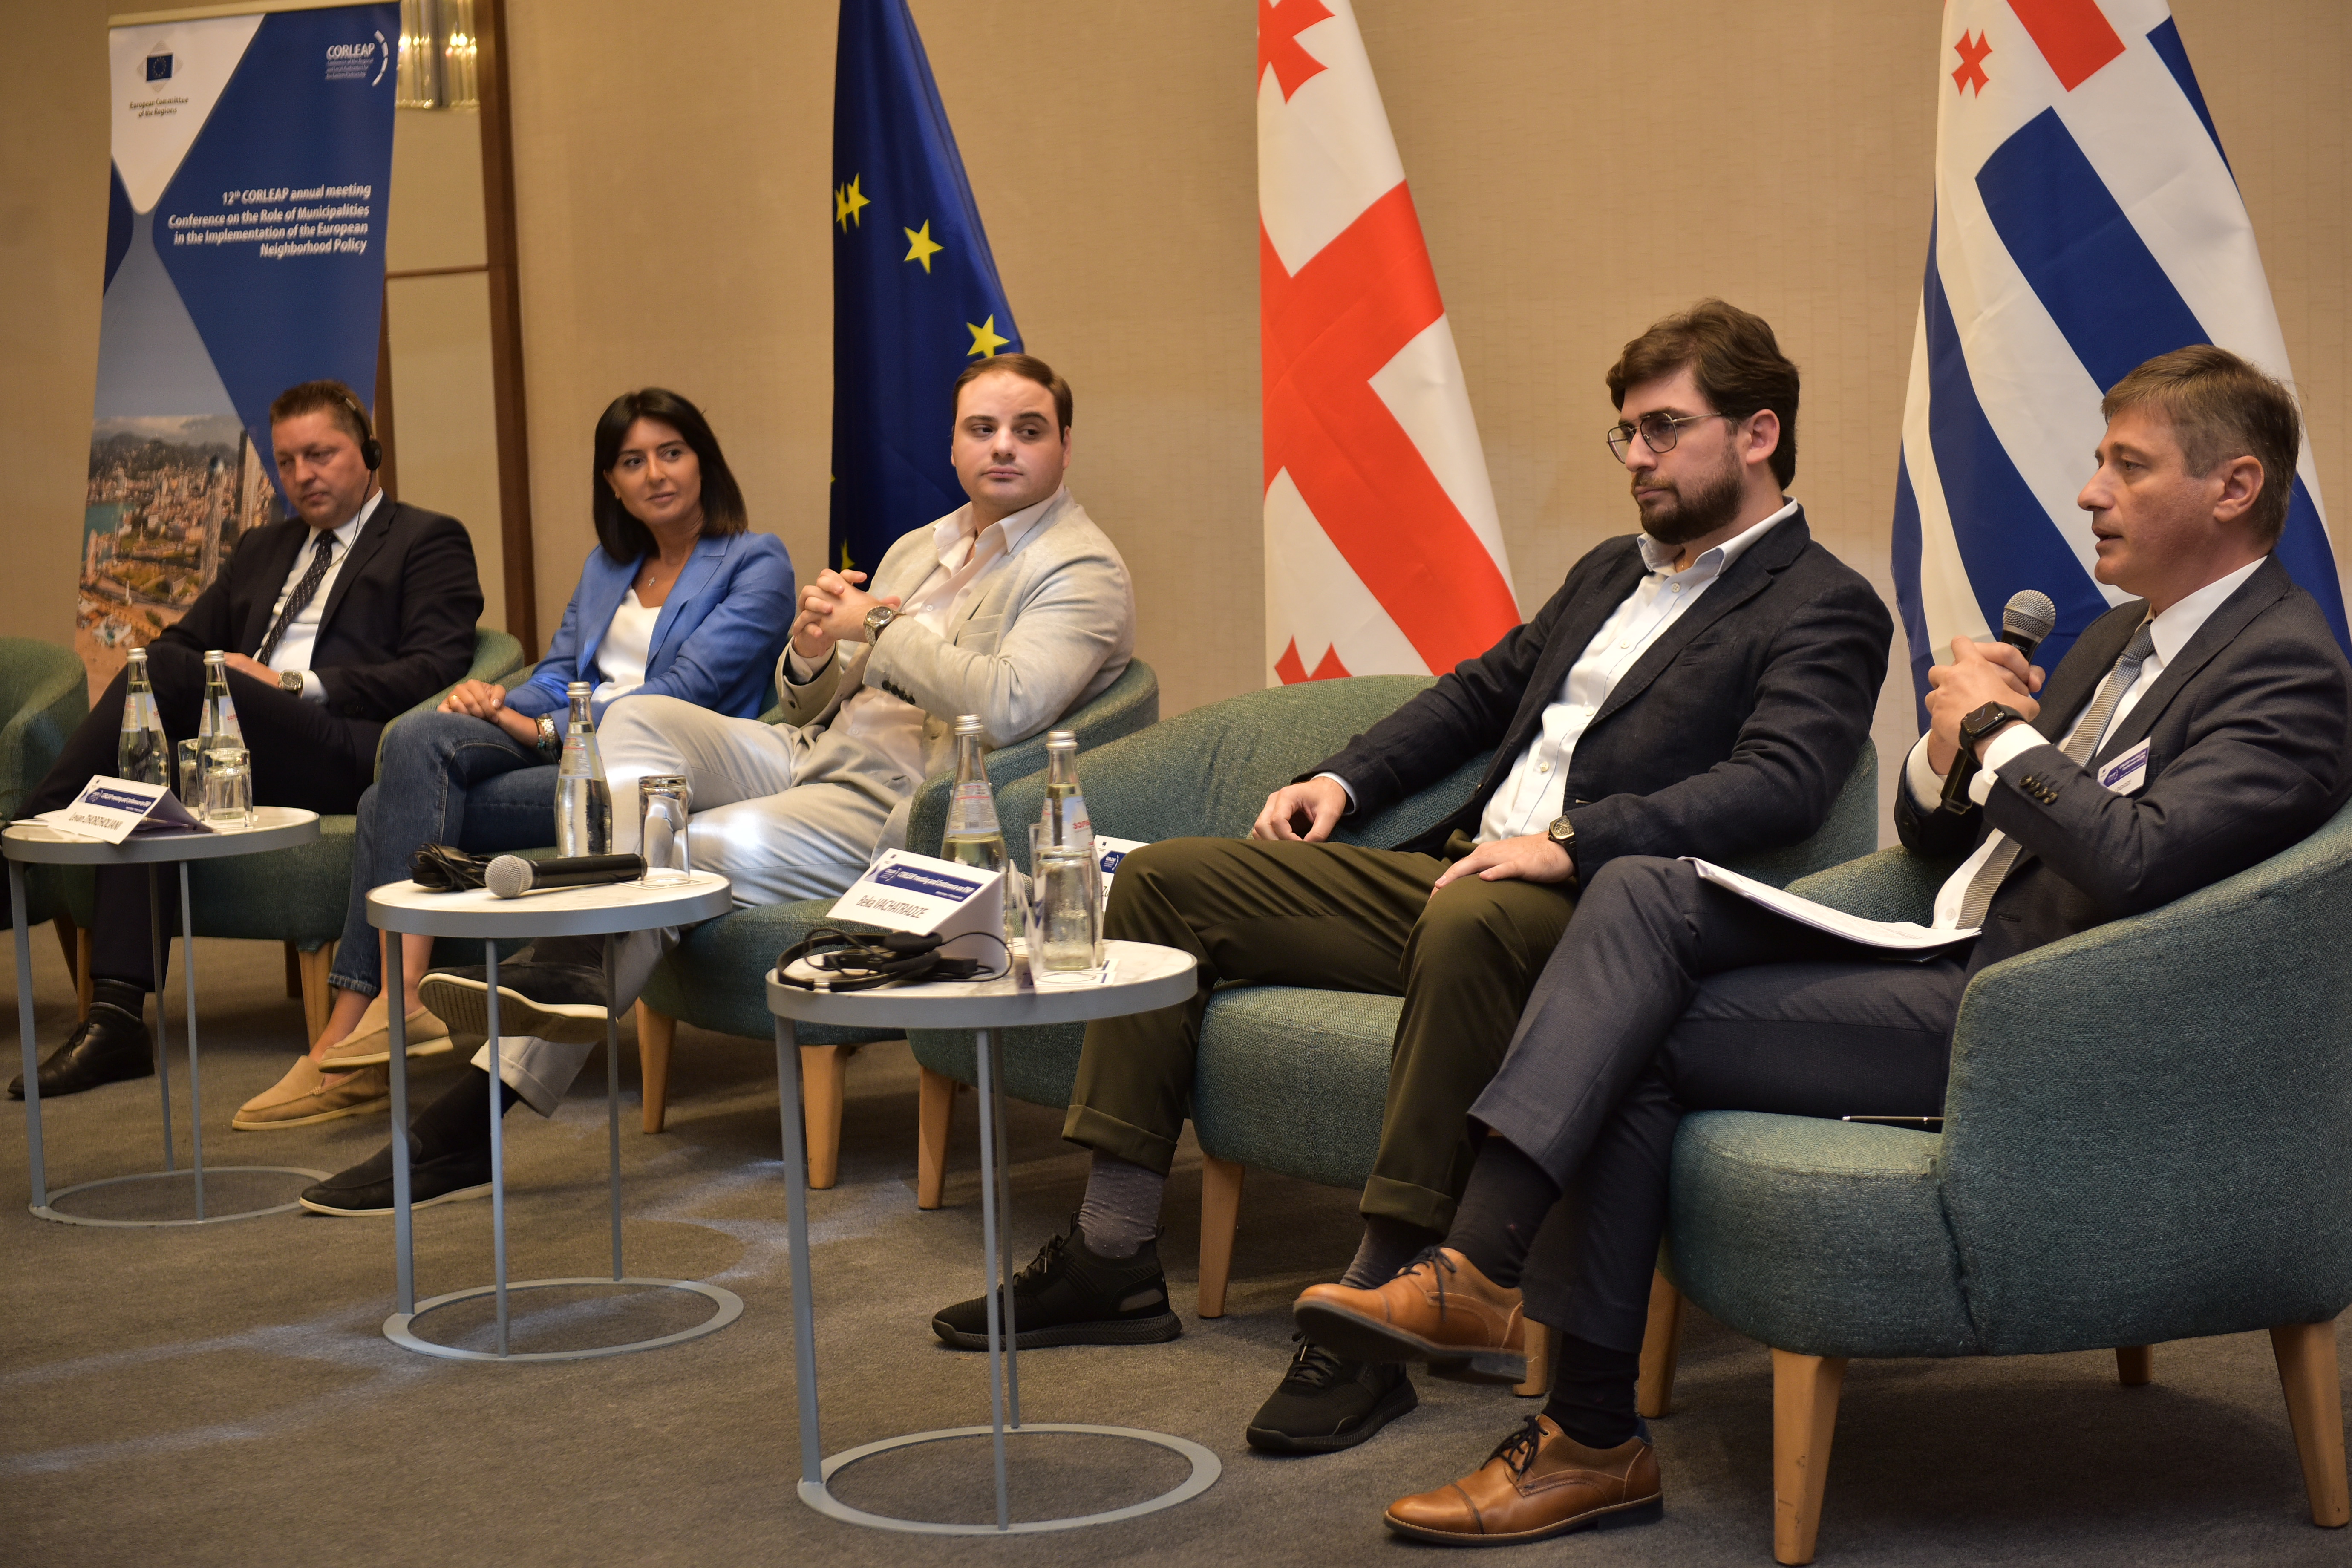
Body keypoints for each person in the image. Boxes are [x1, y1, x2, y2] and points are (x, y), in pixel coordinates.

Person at [1292, 344, 2352, 1546]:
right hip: (1952, 953)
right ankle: (1505, 1311)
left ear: (2234, 487)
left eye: (2129, 466)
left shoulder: (2288, 667)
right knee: (1636, 894)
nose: (2089, 492)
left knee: (1629, 1036)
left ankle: (1556, 1389)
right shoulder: (2120, 641)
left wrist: (2001, 736)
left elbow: (2140, 858)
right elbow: (1941, 833)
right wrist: (1948, 756)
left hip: (2046, 1022)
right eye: (2100, 462)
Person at [931, 301, 1895, 1458]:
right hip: (1458, 878)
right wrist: (1341, 778)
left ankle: (1373, 1324)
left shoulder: (1824, 603)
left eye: (1663, 430)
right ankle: (1111, 1251)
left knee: (1472, 922)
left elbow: (1782, 783)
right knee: (1167, 886)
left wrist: (1575, 840)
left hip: (1600, 921)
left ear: (1757, 433)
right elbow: (1477, 696)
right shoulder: (1611, 572)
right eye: (1626, 434)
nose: (1636, 458)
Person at [297, 351, 1136, 1214]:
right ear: (954, 445)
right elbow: (810, 699)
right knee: (635, 721)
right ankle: (579, 939)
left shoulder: (1080, 567)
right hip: (806, 751)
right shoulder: (922, 546)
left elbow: (1008, 702)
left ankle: (478, 1105)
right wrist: (812, 652)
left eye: (1028, 430)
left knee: (688, 849)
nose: (1003, 446)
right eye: (982, 429)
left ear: (1065, 446)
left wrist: (878, 625)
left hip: (901, 799)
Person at [232, 389, 793, 1131]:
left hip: (653, 777)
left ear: (703, 462)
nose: (655, 474)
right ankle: (392, 1007)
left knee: (389, 793)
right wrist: (495, 700)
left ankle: (361, 1025)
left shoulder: (756, 562)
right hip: (566, 755)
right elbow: (559, 670)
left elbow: (684, 691)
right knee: (417, 746)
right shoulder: (608, 567)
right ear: (611, 482)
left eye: (671, 453)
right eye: (632, 462)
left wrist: (542, 729)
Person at [12, 381, 482, 1101]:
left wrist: (288, 683)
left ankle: (29, 829)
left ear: (370, 453)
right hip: (231, 748)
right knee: (144, 770)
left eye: (320, 455)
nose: (302, 475)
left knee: (167, 676)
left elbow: (435, 666)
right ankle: (116, 1020)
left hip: (346, 747)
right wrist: (219, 685)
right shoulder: (264, 547)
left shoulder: (427, 539)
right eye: (287, 462)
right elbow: (179, 642)